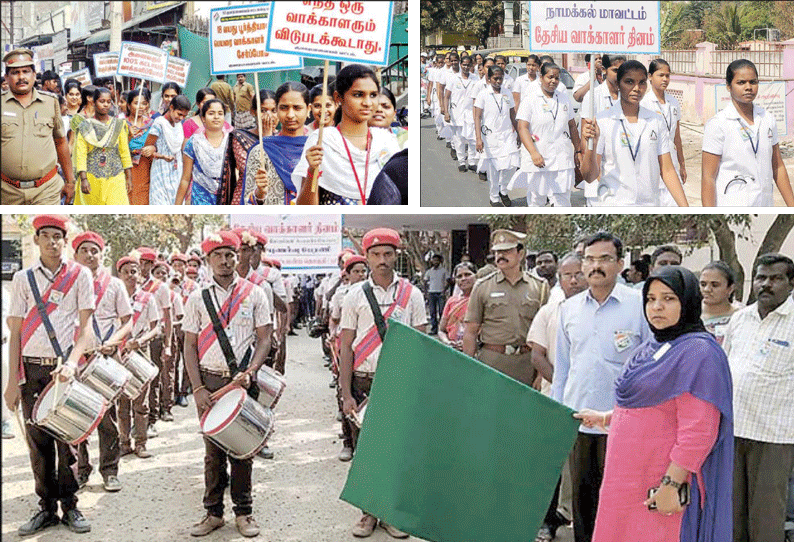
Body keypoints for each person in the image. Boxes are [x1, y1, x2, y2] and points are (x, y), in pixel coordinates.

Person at [575, 265, 733, 542]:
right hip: (625, 478)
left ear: (688, 302)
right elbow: (654, 408)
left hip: (658, 478)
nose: (657, 307)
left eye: (669, 299)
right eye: (650, 299)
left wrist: (671, 484)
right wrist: (607, 418)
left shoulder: (698, 352)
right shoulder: (654, 346)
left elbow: (699, 431)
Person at [553, 231, 652, 542]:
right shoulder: (569, 309)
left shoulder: (639, 306)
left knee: (620, 500)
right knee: (582, 501)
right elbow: (563, 369)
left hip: (621, 421)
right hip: (579, 420)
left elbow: (651, 367)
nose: (596, 266)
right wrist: (558, 410)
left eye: (605, 259)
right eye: (590, 259)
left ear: (620, 264)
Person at [4, 215, 95, 535]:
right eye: (46, 236)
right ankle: (46, 508)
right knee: (37, 442)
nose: (53, 242)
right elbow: (15, 332)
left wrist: (71, 364)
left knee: (68, 441)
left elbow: (85, 329)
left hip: (64, 369)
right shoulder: (22, 278)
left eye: (58, 236)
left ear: (65, 240)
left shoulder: (80, 275)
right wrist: (12, 381)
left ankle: (71, 506)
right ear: (36, 240)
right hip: (31, 368)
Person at [182, 230, 273, 538]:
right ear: (208, 260)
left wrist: (252, 369)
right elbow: (189, 346)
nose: (224, 260)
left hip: (243, 381)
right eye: (218, 255)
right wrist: (197, 388)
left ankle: (244, 513)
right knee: (213, 452)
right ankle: (213, 513)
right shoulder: (197, 297)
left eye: (230, 255)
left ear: (238, 257)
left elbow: (265, 338)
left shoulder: (255, 293)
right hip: (209, 380)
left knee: (243, 450)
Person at [339, 228, 427, 539]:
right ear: (366, 257)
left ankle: (389, 512)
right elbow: (345, 346)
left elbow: (421, 343)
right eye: (375, 255)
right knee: (365, 451)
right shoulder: (354, 295)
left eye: (388, 254)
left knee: (395, 451)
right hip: (364, 382)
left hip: (400, 382)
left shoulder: (411, 294)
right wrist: (346, 393)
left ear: (396, 256)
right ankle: (367, 513)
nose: (382, 260)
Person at [724, 253, 794, 542]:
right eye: (761, 278)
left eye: (775, 278)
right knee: (732, 514)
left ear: (791, 284)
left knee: (765, 517)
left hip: (775, 435)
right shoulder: (740, 319)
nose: (766, 284)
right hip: (733, 430)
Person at [528, 252, 587, 540]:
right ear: (559, 279)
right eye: (567, 275)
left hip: (597, 406)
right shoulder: (550, 311)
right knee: (552, 466)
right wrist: (566, 384)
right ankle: (547, 522)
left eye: (579, 273)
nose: (574, 280)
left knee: (586, 468)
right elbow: (537, 355)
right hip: (556, 399)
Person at [580, 60, 688, 207]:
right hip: (614, 205)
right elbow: (589, 176)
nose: (637, 88)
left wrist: (685, 207)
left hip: (649, 205)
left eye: (642, 83)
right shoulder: (603, 121)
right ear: (618, 84)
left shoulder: (655, 120)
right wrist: (592, 146)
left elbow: (667, 170)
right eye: (629, 82)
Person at [72, 232, 131, 493]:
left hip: (105, 358)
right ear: (75, 255)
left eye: (94, 250)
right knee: (78, 415)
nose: (89, 255)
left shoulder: (114, 285)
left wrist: (114, 342)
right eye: (84, 250)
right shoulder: (68, 283)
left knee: (107, 419)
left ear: (101, 254)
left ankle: (110, 471)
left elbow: (127, 320)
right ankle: (81, 470)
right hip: (76, 359)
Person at [294, 64, 400, 205]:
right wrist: (312, 172)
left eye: (373, 95)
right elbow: (306, 209)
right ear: (338, 98)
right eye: (358, 95)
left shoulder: (387, 141)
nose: (367, 103)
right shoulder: (322, 140)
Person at [702, 59, 794, 207]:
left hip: (764, 203)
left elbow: (777, 167)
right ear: (728, 86)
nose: (748, 87)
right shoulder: (718, 124)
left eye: (753, 82)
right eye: (741, 82)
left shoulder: (767, 119)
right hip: (732, 205)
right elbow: (708, 177)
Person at [463, 229, 549, 386]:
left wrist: (541, 374)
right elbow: (470, 331)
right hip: (492, 361)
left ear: (520, 254)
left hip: (527, 364)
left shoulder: (539, 286)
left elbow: (546, 334)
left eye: (507, 251)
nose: (500, 256)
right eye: (497, 252)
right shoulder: (482, 286)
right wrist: (468, 369)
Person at [1, 49, 77, 204]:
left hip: (46, 190)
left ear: (34, 75)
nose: (21, 77)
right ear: (7, 77)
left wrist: (70, 181)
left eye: (26, 71)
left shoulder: (51, 102)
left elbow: (61, 142)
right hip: (7, 191)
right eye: (15, 72)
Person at [512, 62, 581, 207]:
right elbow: (522, 128)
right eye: (550, 77)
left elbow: (572, 126)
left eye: (557, 78)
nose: (553, 81)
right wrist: (533, 153)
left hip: (562, 157)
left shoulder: (563, 98)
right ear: (541, 77)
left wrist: (578, 150)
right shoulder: (530, 99)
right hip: (539, 157)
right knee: (538, 199)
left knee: (563, 199)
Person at [115, 255, 160, 458]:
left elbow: (156, 327)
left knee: (140, 401)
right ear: (119, 275)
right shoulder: (114, 296)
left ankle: (141, 443)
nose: (131, 276)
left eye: (134, 271)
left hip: (141, 351)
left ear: (139, 274)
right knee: (122, 401)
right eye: (126, 272)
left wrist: (140, 342)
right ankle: (124, 443)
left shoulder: (147, 298)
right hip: (119, 352)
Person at [329, 253, 368, 462]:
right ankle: (348, 442)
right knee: (346, 395)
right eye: (356, 271)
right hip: (346, 349)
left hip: (366, 352)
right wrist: (334, 336)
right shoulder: (341, 295)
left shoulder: (371, 294)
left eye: (363, 271)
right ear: (348, 274)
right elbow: (333, 321)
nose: (361, 275)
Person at [246, 83, 310, 205]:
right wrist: (259, 195)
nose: (290, 115)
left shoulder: (316, 151)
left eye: (297, 108)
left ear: (309, 110)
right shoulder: (261, 151)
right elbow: (246, 202)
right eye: (284, 108)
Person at [73, 87, 132, 205]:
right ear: (94, 103)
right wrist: (83, 179)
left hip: (116, 176)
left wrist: (129, 178)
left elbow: (124, 152)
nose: (105, 105)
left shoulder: (119, 125)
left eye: (108, 102)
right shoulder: (85, 127)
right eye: (102, 101)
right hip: (91, 178)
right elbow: (81, 154)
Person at [136, 247, 173, 437]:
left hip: (155, 337)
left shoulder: (161, 287)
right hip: (134, 340)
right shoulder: (131, 284)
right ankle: (136, 424)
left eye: (145, 263)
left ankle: (151, 419)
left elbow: (168, 317)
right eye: (139, 262)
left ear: (151, 265)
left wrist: (167, 344)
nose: (141, 267)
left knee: (153, 380)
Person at [641, 59, 687, 206]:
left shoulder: (673, 102)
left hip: (671, 165)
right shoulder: (643, 104)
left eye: (667, 76)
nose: (665, 79)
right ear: (650, 76)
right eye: (660, 75)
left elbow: (676, 136)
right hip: (651, 168)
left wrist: (682, 164)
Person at [473, 65, 519, 207]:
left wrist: (518, 133)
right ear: (489, 78)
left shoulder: (507, 93)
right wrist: (478, 138)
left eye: (501, 78)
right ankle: (494, 197)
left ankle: (503, 190)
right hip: (490, 137)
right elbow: (477, 117)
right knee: (494, 169)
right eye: (495, 78)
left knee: (512, 164)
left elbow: (512, 114)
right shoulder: (483, 94)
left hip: (507, 135)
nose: (498, 81)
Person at [176, 99, 231, 205]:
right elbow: (185, 179)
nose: (216, 117)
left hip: (226, 198)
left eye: (220, 113)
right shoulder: (194, 142)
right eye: (211, 113)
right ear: (203, 118)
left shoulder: (232, 141)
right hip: (200, 199)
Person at [144, 94, 189, 205]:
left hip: (176, 170)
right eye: (179, 114)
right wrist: (163, 156)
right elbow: (147, 150)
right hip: (161, 170)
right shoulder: (159, 123)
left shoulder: (178, 125)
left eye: (184, 116)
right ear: (171, 108)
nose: (181, 118)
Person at [444, 54, 478, 172]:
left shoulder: (475, 79)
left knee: (472, 139)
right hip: (456, 113)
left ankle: (472, 162)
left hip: (471, 114)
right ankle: (462, 162)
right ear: (460, 64)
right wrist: (446, 112)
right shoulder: (454, 79)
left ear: (471, 65)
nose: (466, 67)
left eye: (468, 65)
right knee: (458, 140)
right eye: (464, 64)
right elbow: (447, 96)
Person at [438, 261, 477, 350]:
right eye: (459, 276)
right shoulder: (451, 301)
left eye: (467, 275)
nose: (463, 279)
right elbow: (441, 331)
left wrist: (469, 342)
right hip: (453, 350)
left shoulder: (482, 299)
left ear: (476, 276)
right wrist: (448, 342)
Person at [126, 87, 154, 205]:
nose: (141, 107)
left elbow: (157, 144)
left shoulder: (152, 124)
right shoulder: (121, 123)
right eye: (136, 103)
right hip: (126, 168)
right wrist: (128, 135)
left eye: (144, 103)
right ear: (128, 105)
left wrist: (153, 148)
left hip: (145, 167)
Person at [699, 261, 738, 345]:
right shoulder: (690, 314)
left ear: (730, 288)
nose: (707, 289)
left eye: (715, 285)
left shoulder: (742, 316)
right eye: (703, 284)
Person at [424, 254, 449, 335]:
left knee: (442, 312)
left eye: (437, 260)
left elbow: (448, 281)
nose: (435, 262)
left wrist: (444, 290)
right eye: (434, 260)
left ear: (440, 261)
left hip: (440, 293)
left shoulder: (443, 271)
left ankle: (442, 329)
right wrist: (426, 292)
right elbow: (425, 281)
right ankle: (434, 329)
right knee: (432, 312)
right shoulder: (429, 271)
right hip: (431, 293)